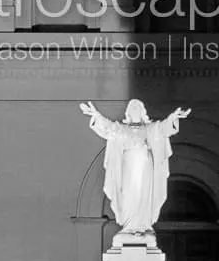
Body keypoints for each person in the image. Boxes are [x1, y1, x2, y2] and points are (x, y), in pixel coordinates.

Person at [80, 99, 192, 235]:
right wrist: (96, 115)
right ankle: (129, 226)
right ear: (128, 113)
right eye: (132, 108)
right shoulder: (122, 129)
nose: (134, 111)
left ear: (142, 112)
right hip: (128, 167)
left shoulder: (149, 129)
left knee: (143, 194)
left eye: (137, 108)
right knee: (128, 195)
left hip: (145, 168)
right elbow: (108, 128)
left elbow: (163, 129)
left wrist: (173, 117)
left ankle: (142, 225)